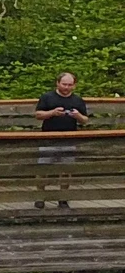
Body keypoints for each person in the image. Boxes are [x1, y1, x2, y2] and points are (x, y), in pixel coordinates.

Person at [37, 71, 88, 208]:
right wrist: (52, 113)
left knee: (66, 170)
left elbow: (85, 120)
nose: (66, 87)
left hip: (69, 139)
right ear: (57, 83)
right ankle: (40, 197)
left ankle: (63, 198)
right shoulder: (47, 97)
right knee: (43, 169)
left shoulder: (77, 100)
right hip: (48, 138)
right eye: (64, 84)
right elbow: (38, 114)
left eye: (70, 85)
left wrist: (77, 116)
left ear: (74, 86)